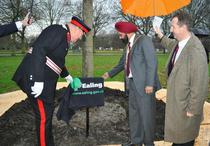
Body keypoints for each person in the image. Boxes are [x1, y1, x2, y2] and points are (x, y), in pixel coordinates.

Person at [12, 16, 91, 146]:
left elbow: (56, 61)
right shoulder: (57, 31)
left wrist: (68, 77)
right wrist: (36, 80)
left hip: (45, 84)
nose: (80, 38)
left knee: (46, 117)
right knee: (43, 119)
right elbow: (39, 50)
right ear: (76, 29)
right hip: (39, 82)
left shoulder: (63, 38)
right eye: (82, 34)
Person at [154, 11, 208, 146]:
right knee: (179, 141)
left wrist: (192, 109)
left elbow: (200, 84)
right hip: (179, 106)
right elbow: (170, 44)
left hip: (186, 110)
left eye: (173, 27)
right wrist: (159, 35)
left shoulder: (195, 51)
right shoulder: (181, 44)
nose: (171, 30)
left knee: (184, 141)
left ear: (183, 28)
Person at [102, 21, 160, 146]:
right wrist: (109, 74)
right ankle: (136, 142)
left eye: (119, 31)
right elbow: (122, 63)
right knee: (134, 115)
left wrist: (150, 84)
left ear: (126, 31)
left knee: (146, 116)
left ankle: (149, 143)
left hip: (145, 86)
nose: (118, 34)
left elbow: (152, 62)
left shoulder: (144, 40)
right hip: (132, 85)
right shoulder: (128, 45)